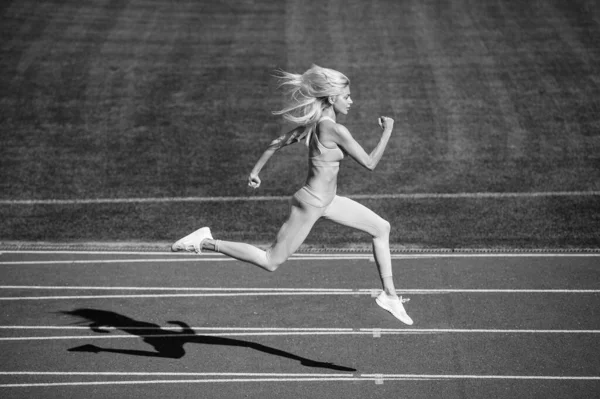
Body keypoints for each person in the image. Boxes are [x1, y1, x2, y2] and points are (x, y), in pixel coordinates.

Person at [172, 65, 413, 325]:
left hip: (329, 202)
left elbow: (278, 142)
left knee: (381, 227)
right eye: (347, 96)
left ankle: (389, 295)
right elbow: (369, 163)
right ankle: (206, 241)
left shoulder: (318, 124)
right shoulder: (333, 129)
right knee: (270, 261)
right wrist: (387, 130)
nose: (351, 101)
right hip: (310, 204)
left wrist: (255, 171)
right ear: (332, 98)